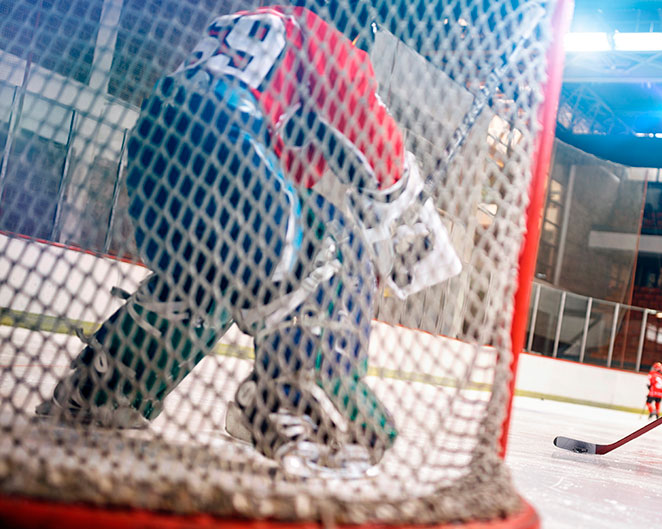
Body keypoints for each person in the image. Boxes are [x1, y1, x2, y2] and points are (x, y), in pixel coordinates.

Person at [36, 6, 461, 474]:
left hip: (154, 153)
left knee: (206, 278)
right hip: (232, 148)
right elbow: (369, 132)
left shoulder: (251, 25)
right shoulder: (322, 39)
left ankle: (104, 385)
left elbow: (282, 162)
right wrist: (401, 199)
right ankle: (288, 404)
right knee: (331, 245)